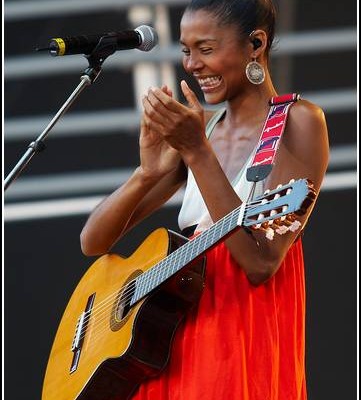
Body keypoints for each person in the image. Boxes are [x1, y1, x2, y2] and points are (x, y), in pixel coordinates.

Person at [80, 0, 329, 398]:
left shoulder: (298, 121)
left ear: (256, 44)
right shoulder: (204, 131)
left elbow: (262, 261)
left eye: (206, 49)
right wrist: (145, 174)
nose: (192, 64)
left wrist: (197, 152)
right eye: (185, 49)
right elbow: (93, 241)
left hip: (237, 332)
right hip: (172, 335)